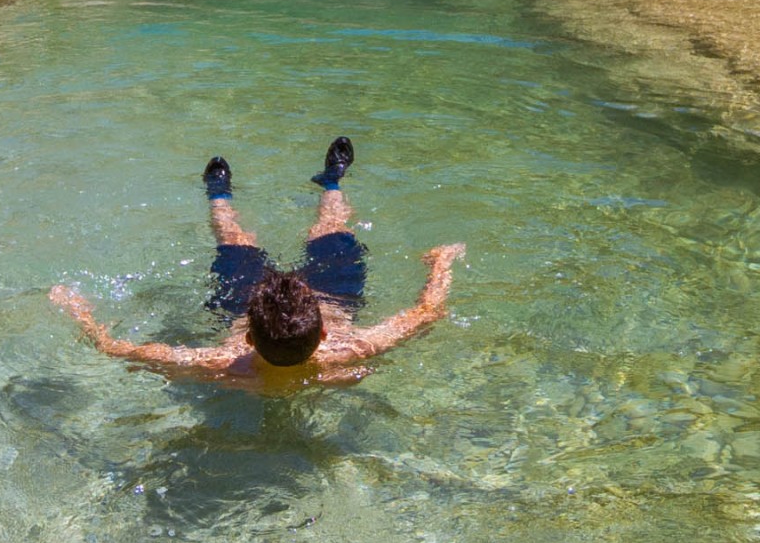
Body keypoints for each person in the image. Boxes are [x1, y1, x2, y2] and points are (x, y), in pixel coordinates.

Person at [50, 137, 465, 386]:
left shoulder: (224, 367)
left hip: (242, 302)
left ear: (247, 338)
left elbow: (122, 349)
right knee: (331, 231)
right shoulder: (349, 352)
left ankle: (219, 194)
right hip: (332, 298)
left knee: (236, 239)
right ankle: (332, 181)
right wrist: (441, 264)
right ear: (323, 336)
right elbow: (427, 313)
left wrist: (82, 314)